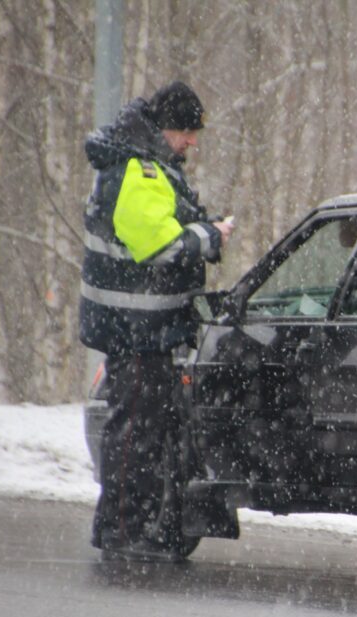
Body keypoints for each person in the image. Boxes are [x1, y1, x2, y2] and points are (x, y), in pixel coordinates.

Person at [79, 81, 234, 562]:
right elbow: (158, 245)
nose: (192, 142)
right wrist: (209, 236)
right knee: (135, 436)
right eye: (187, 132)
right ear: (164, 127)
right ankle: (126, 531)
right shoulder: (140, 169)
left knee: (144, 433)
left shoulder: (145, 164)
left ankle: (135, 528)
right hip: (138, 327)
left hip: (142, 326)